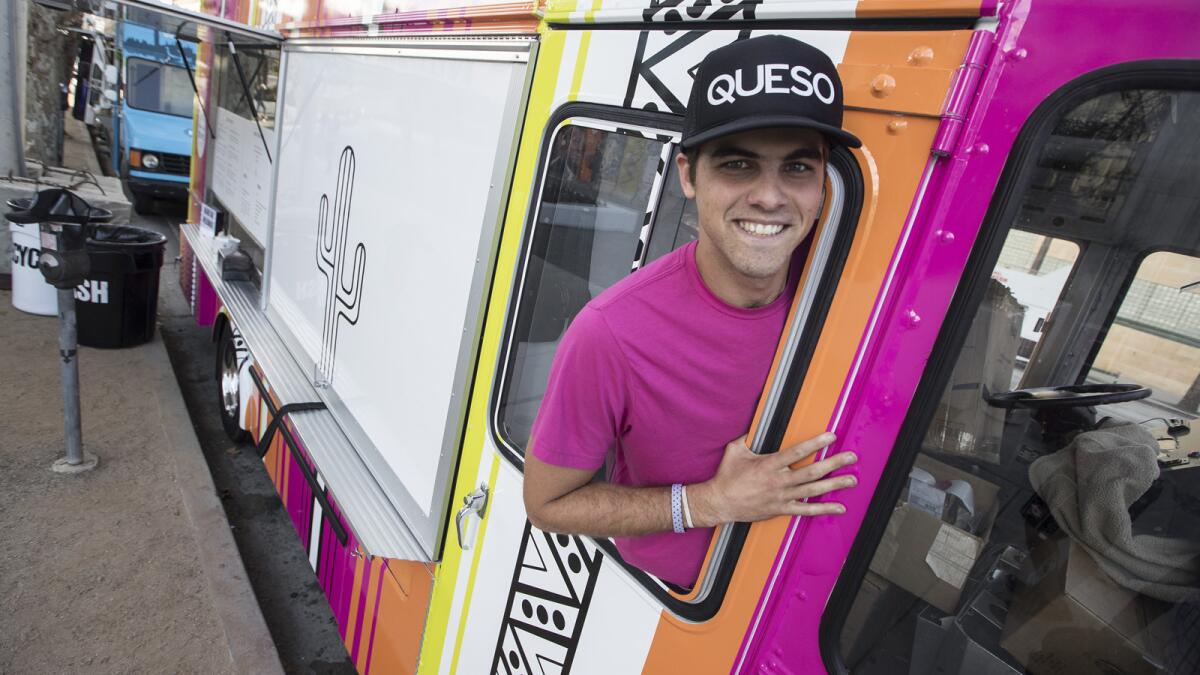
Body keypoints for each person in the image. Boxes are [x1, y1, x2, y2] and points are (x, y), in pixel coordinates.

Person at [523, 35, 863, 590]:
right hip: (680, 615)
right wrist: (708, 503)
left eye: (797, 168)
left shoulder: (843, 292)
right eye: (737, 165)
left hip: (800, 592)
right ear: (688, 174)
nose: (771, 197)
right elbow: (548, 504)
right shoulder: (611, 334)